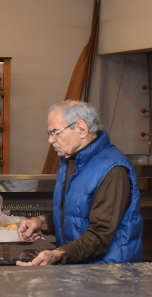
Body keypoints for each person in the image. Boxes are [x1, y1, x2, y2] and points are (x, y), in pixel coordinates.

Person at [16, 100, 143, 266]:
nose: (50, 140)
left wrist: (58, 254)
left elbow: (100, 235)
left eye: (55, 132)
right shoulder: (71, 161)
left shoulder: (113, 169)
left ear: (81, 129)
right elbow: (76, 216)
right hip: (79, 270)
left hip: (109, 275)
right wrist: (41, 222)